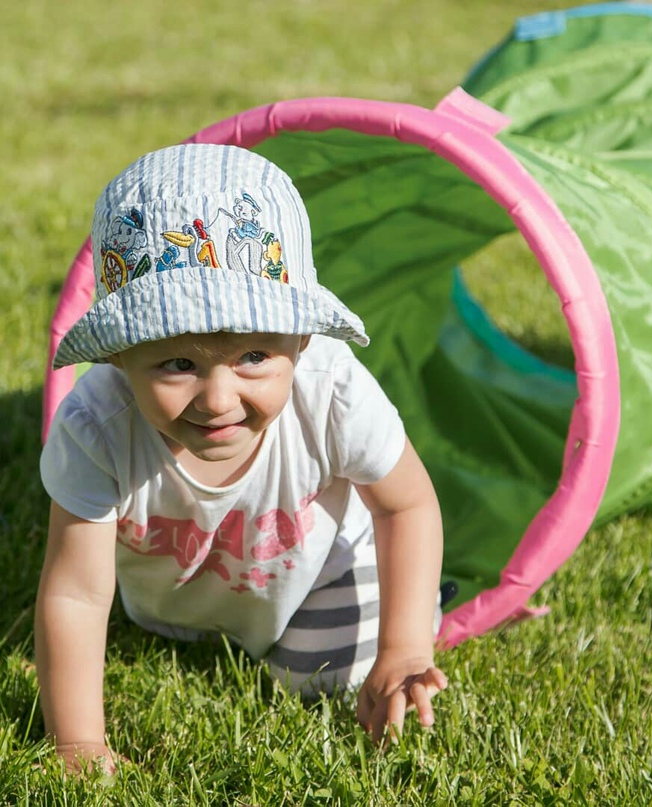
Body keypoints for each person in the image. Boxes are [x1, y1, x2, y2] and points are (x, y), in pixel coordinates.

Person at [35, 143, 447, 774]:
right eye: (178, 364)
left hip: (317, 579)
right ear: (119, 355)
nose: (218, 398)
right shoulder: (98, 426)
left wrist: (405, 643)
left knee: (325, 678)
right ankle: (199, 625)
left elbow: (408, 506)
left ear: (302, 338)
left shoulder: (331, 391)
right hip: (172, 597)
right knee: (150, 630)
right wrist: (78, 741)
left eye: (254, 356)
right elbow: (75, 596)